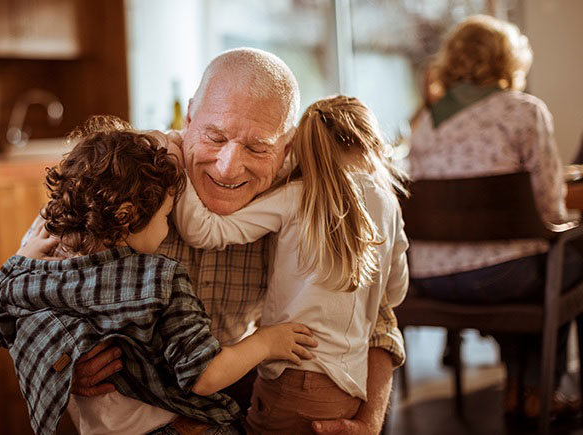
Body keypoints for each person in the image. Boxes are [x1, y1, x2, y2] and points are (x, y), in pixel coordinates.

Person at [67, 48, 405, 435]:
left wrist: (368, 421)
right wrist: (63, 361)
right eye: (214, 136)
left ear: (287, 146)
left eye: (258, 147)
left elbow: (377, 316)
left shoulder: (301, 192)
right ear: (190, 115)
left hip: (228, 400)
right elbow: (31, 286)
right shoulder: (128, 170)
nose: (228, 168)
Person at [0, 117, 318, 435]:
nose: (166, 229)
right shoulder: (160, 278)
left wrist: (18, 265)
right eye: (165, 216)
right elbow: (204, 376)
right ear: (126, 215)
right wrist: (267, 343)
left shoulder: (32, 276)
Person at [168, 95, 409, 434]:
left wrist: (174, 158)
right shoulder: (389, 205)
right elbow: (395, 293)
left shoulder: (298, 195)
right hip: (350, 385)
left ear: (298, 145)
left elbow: (203, 230)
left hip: (292, 376)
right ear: (371, 141)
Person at [407, 15, 583, 420]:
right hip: (501, 278)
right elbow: (548, 206)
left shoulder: (426, 123)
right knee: (559, 261)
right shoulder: (524, 111)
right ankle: (539, 391)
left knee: (524, 265)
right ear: (508, 61)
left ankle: (518, 389)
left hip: (431, 279)